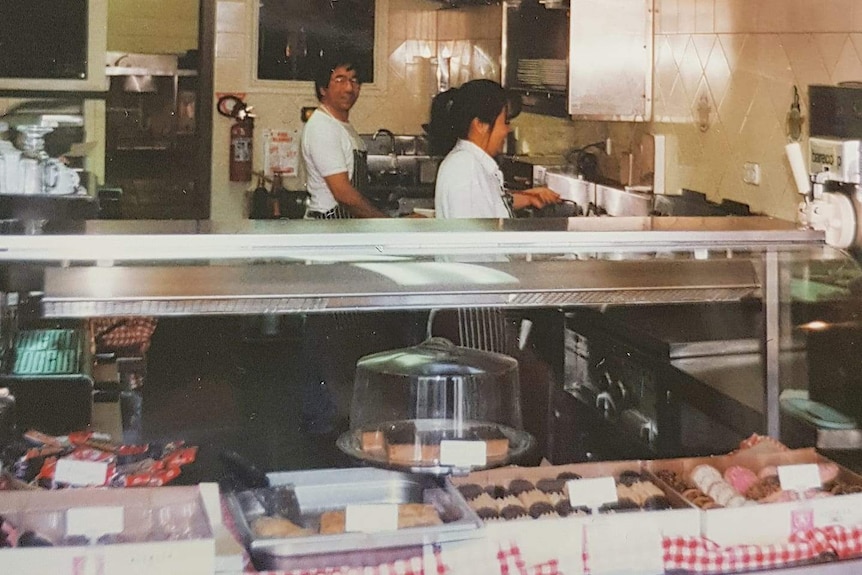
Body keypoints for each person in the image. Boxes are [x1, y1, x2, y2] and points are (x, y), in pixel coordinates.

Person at [427, 79, 561, 218]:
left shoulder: (469, 161)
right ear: (480, 125)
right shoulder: (466, 167)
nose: (507, 130)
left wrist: (528, 198)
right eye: (504, 122)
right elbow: (474, 235)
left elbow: (485, 201)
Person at [301, 54, 387, 219]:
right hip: (328, 228)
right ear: (323, 88)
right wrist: (386, 224)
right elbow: (343, 194)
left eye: (354, 80)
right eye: (340, 80)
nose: (349, 88)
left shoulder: (342, 126)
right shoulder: (322, 126)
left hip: (344, 225)